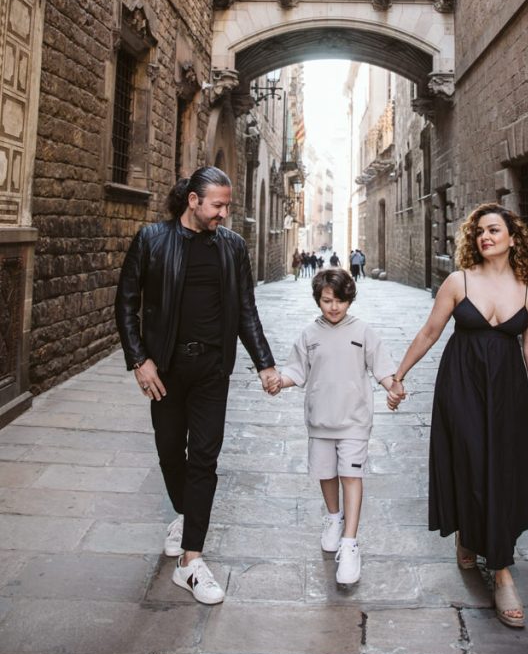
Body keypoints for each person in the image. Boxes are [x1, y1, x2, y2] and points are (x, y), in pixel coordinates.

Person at [115, 166, 278, 605]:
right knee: (170, 451)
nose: (224, 213)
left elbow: (246, 309)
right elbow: (126, 304)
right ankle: (186, 516)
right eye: (218, 205)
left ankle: (191, 561)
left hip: (211, 370)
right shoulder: (151, 240)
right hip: (164, 369)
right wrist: (139, 360)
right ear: (193, 201)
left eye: (227, 205)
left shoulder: (233, 248)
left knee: (204, 458)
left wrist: (264, 364)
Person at [388, 203, 528, 628]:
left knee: (503, 470)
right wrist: (399, 375)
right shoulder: (458, 281)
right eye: (479, 231)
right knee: (474, 463)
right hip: (461, 387)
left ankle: (484, 547)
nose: (485, 237)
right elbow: (429, 331)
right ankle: (500, 572)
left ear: (513, 238)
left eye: (494, 230)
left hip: (507, 393)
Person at [269, 269, 396, 585]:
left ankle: (350, 543)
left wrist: (393, 386)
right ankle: (333, 518)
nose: (334, 307)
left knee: (351, 476)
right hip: (320, 421)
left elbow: (382, 368)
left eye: (340, 300)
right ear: (318, 300)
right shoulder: (309, 335)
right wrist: (278, 382)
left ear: (350, 299)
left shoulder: (363, 331)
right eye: (327, 301)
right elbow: (295, 372)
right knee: (326, 474)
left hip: (354, 420)